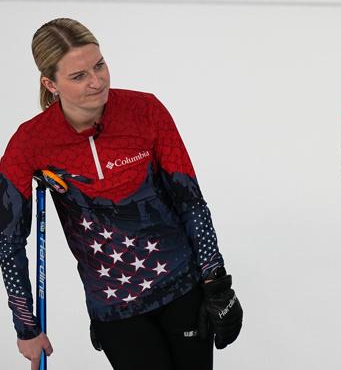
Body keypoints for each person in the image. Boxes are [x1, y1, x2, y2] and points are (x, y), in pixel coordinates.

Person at [0, 18, 243, 370]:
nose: (97, 81)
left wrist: (216, 282)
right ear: (50, 83)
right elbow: (9, 241)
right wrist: (26, 327)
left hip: (182, 288)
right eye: (78, 76)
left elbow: (190, 201)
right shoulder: (30, 144)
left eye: (99, 65)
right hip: (116, 308)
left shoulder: (145, 110)